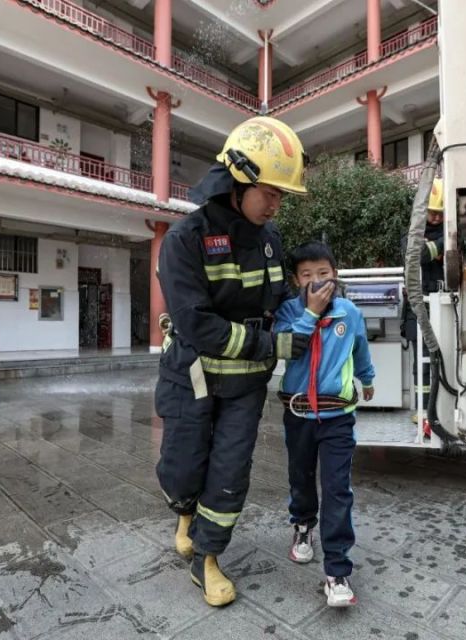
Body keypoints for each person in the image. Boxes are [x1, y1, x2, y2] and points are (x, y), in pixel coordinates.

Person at [155, 116, 312, 607]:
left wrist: (314, 307)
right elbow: (198, 325)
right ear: (238, 180)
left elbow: (279, 299)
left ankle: (207, 558)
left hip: (244, 387)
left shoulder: (270, 239)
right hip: (193, 380)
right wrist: (272, 346)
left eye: (281, 195)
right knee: (183, 469)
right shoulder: (184, 240)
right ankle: (184, 510)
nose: (276, 203)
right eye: (270, 191)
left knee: (229, 473)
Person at [274, 241, 375, 608]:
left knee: (337, 489)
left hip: (338, 419)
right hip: (298, 415)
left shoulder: (349, 312)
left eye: (323, 273)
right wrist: (311, 314)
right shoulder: (287, 311)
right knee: (300, 477)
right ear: (295, 280)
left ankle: (337, 570)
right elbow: (285, 348)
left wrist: (367, 378)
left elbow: (359, 347)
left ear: (335, 274)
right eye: (306, 275)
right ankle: (303, 526)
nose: (316, 281)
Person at [400, 177, 444, 430]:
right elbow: (417, 254)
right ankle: (422, 410)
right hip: (420, 310)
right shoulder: (413, 234)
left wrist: (436, 249)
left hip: (446, 307)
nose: (436, 219)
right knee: (423, 364)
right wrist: (441, 246)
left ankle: (440, 409)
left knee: (445, 361)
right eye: (431, 213)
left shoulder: (453, 232)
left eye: (440, 213)